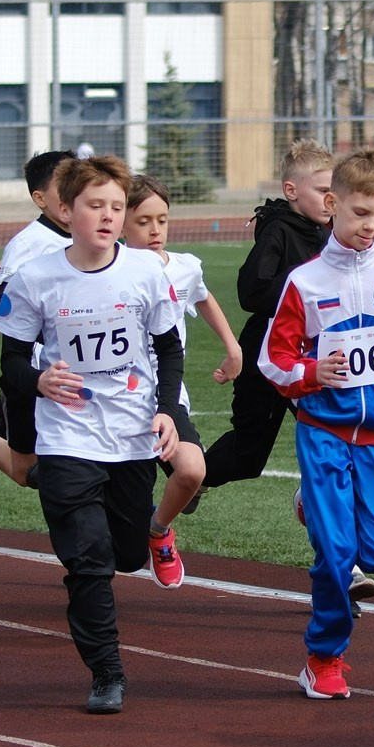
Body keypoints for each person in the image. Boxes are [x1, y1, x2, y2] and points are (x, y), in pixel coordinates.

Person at [0, 153, 189, 713]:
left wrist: (166, 410)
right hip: (67, 437)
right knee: (89, 560)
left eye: (116, 207)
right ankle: (107, 672)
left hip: (132, 435)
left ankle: (135, 541)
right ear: (66, 211)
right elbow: (11, 365)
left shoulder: (145, 272)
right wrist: (39, 380)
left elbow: (169, 348)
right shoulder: (35, 279)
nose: (107, 216)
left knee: (125, 554)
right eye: (95, 205)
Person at [257, 147, 374, 700]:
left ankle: (312, 510)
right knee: (337, 555)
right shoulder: (305, 281)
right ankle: (324, 659)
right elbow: (273, 360)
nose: (370, 225)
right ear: (333, 204)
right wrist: (312, 372)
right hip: (324, 433)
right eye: (360, 213)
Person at [123, 173, 241, 590]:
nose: (155, 230)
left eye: (163, 219)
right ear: (120, 222)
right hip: (111, 403)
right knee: (115, 526)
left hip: (166, 399)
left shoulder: (185, 267)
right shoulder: (107, 272)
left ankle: (159, 531)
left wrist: (232, 346)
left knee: (192, 471)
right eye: (143, 221)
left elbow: (203, 297)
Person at [201, 139, 333, 490]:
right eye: (322, 191)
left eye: (334, 191)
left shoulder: (331, 232)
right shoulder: (278, 230)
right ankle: (188, 476)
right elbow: (251, 292)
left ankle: (329, 506)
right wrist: (304, 286)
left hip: (312, 356)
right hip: (266, 355)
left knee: (336, 432)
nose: (330, 199)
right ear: (291, 190)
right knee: (247, 456)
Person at [0, 149, 75, 488]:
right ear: (40, 198)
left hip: (81, 369)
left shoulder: (92, 230)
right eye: (65, 184)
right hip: (34, 370)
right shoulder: (30, 242)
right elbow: (2, 302)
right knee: (31, 473)